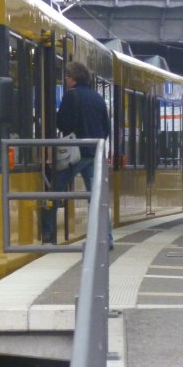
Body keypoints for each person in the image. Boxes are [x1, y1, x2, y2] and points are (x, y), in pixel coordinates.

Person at [40, 61, 112, 245]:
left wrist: (56, 118)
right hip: (94, 154)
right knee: (97, 199)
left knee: (54, 193)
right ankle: (106, 238)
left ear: (72, 78)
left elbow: (65, 124)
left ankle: (47, 235)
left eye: (67, 77)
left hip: (74, 154)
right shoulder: (98, 98)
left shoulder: (71, 97)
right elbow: (106, 128)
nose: (66, 80)